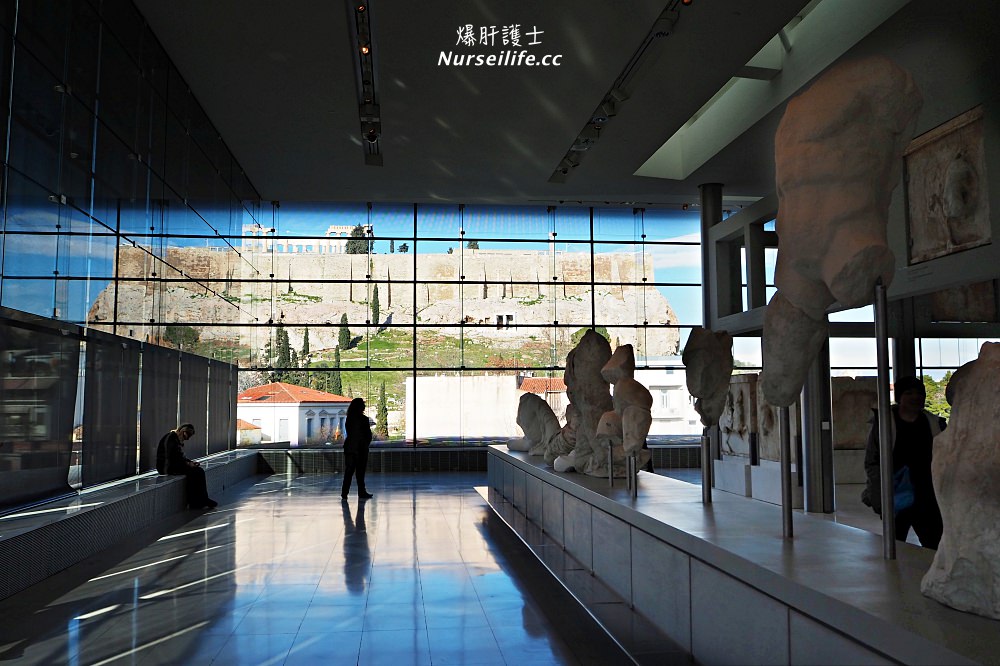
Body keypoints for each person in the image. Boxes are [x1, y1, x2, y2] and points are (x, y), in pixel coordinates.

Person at [861, 377, 945, 549]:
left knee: (934, 543)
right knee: (895, 545)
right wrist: (879, 490)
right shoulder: (884, 423)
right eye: (909, 393)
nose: (915, 397)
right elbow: (872, 460)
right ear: (900, 397)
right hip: (896, 491)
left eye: (919, 393)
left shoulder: (934, 423)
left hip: (927, 494)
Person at [156, 423, 218, 509]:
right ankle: (197, 501)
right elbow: (172, 457)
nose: (187, 439)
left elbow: (179, 457)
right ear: (182, 431)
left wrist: (190, 462)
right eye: (186, 436)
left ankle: (199, 500)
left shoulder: (175, 439)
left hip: (172, 465)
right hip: (166, 467)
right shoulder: (170, 438)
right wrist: (188, 464)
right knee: (195, 472)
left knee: (198, 471)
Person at [341, 398, 373, 499]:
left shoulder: (349, 418)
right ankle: (361, 492)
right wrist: (365, 444)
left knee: (349, 471)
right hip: (361, 448)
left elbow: (350, 433)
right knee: (360, 472)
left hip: (350, 448)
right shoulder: (364, 419)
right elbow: (368, 435)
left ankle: (344, 493)